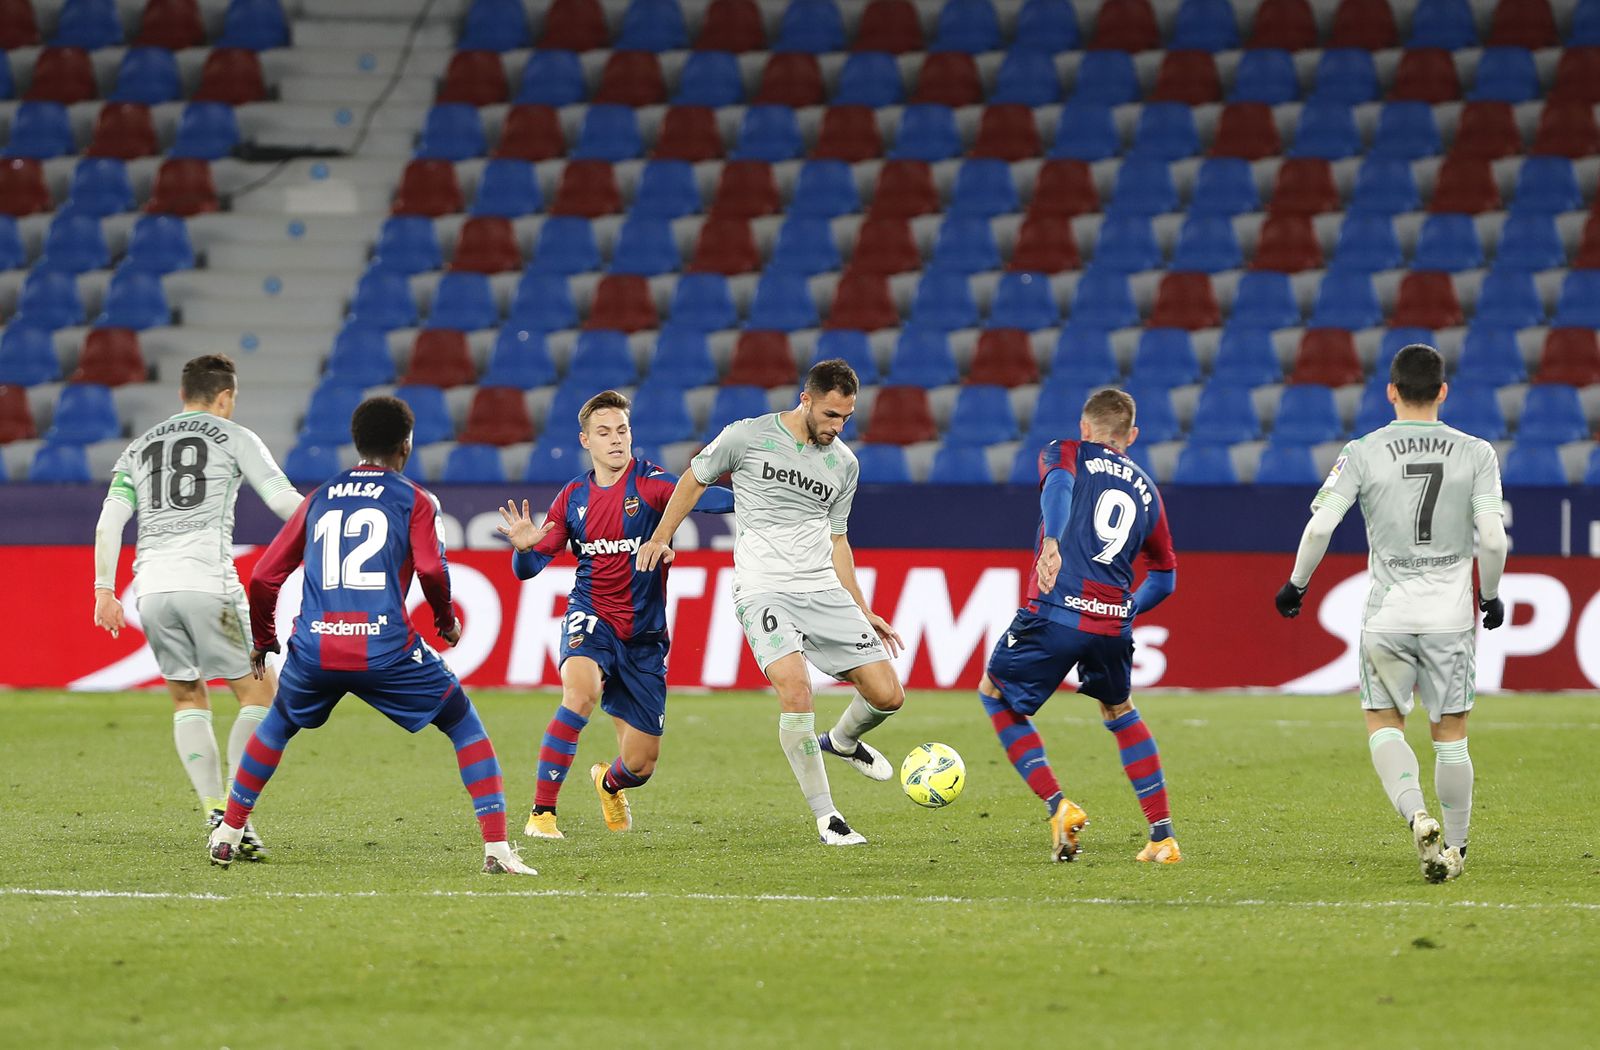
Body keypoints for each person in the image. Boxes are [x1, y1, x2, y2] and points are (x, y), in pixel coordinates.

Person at [206, 396, 535, 875]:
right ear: (407, 445)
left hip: (314, 646)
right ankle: (498, 851)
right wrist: (445, 620)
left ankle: (228, 832)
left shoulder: (319, 498)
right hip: (385, 649)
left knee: (277, 724)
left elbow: (262, 576)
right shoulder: (416, 499)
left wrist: (263, 638)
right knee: (463, 725)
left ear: (356, 444)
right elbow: (429, 567)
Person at [636, 359, 906, 846]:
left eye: (845, 417)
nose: (837, 426)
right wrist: (660, 537)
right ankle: (829, 818)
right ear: (805, 399)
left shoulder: (844, 464)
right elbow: (694, 479)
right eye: (830, 414)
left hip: (821, 586)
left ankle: (843, 741)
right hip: (763, 587)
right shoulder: (746, 436)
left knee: (888, 695)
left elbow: (838, 540)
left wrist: (862, 607)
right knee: (796, 691)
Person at [1275, 344, 1506, 884]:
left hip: (1388, 615)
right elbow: (1492, 538)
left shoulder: (1362, 451)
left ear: (1392, 391)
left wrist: (1296, 585)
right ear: (1443, 391)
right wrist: (1489, 596)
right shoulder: (1477, 452)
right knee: (1451, 734)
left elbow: (1319, 528)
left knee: (1383, 723)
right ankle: (1456, 847)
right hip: (1450, 616)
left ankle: (1415, 814)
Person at [497, 389, 734, 840]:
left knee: (641, 765)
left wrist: (757, 496)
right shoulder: (573, 497)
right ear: (586, 440)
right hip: (591, 616)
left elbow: (704, 499)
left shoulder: (651, 483)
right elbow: (529, 568)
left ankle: (608, 783)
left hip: (644, 636)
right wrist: (523, 549)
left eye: (622, 430)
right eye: (604, 432)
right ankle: (542, 814)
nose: (615, 440)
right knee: (580, 693)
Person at [91, 354, 302, 858]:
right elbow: (282, 500)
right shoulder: (236, 436)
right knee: (259, 696)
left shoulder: (139, 448)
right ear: (225, 397)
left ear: (183, 395)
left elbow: (107, 524)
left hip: (153, 591)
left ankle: (213, 808)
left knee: (188, 699)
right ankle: (234, 817)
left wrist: (103, 589)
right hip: (209, 584)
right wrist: (329, 523)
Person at [979, 389, 1180, 864]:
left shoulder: (1065, 450)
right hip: (1112, 622)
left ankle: (1058, 804)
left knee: (994, 692)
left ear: (1085, 427)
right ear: (1131, 435)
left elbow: (1061, 487)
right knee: (1120, 711)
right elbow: (1167, 577)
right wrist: (1126, 609)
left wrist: (1052, 540)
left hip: (1055, 608)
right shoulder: (1148, 488)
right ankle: (1162, 837)